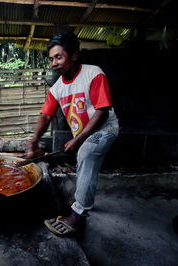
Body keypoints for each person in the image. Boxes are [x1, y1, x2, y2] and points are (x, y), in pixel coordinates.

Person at [25, 32, 119, 236]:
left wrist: (77, 139)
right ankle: (82, 199)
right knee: (84, 155)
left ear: (74, 55)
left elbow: (102, 112)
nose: (54, 63)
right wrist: (33, 140)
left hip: (105, 128)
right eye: (51, 59)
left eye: (58, 57)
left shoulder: (93, 73)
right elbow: (45, 116)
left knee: (85, 152)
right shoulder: (57, 88)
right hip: (84, 135)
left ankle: (78, 215)